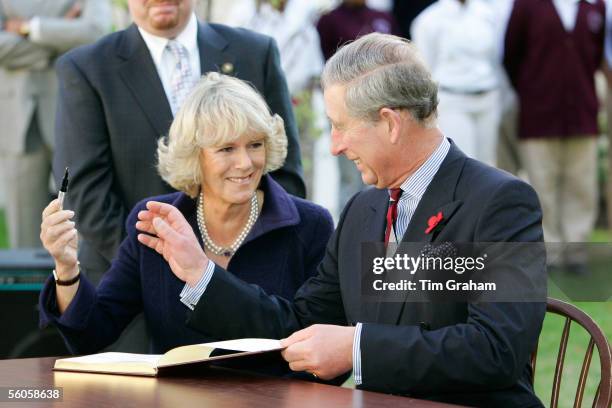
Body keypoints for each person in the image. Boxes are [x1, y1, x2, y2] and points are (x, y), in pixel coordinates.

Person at [136, 33, 546, 407]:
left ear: (389, 122)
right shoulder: (361, 212)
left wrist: (356, 348)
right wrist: (200, 274)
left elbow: (497, 350)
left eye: (340, 127)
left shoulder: (500, 203)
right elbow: (296, 324)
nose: (334, 146)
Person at [38, 73, 333, 355]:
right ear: (195, 157)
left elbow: (308, 336)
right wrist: (66, 268)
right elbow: (92, 333)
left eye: (255, 145)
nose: (245, 163)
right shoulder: (156, 221)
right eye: (227, 149)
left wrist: (202, 276)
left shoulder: (310, 225)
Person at [53, 0, 306, 284]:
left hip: (250, 280)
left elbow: (285, 174)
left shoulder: (255, 53)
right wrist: (163, 267)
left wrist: (233, 267)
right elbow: (86, 193)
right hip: (133, 285)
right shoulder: (86, 68)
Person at [504, 0, 605, 274]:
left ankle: (576, 252)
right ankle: (549, 253)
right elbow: (511, 56)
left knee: (581, 186)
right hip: (539, 114)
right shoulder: (526, 6)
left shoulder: (593, 8)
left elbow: (594, 57)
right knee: (541, 185)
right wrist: (534, 89)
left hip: (582, 113)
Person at [0, 0, 111, 248]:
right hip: (17, 122)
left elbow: (95, 30)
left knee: (85, 228)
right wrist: (62, 40)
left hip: (77, 114)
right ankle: (31, 289)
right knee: (24, 239)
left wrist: (31, 28)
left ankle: (82, 287)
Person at [411, 0, 501, 166]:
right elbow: (425, 68)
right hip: (453, 99)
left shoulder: (487, 14)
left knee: (488, 162)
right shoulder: (428, 20)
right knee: (464, 162)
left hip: (487, 97)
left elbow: (495, 58)